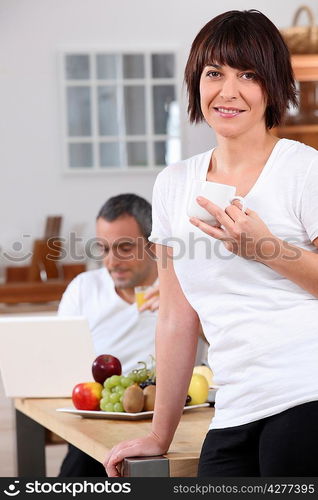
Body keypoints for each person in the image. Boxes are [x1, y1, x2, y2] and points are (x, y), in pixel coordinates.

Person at [104, 10, 318, 478]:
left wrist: (266, 248)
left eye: (249, 75)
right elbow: (177, 317)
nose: (228, 91)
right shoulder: (173, 184)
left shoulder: (304, 170)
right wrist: (159, 436)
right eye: (214, 73)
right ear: (195, 82)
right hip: (235, 407)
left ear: (275, 86)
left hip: (308, 393)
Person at [58, 193, 208, 476]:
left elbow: (221, 341)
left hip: (176, 418)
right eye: (104, 249)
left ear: (153, 245)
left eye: (125, 248)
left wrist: (181, 310)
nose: (112, 261)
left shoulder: (186, 286)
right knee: (79, 471)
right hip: (99, 416)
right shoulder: (84, 288)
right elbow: (60, 356)